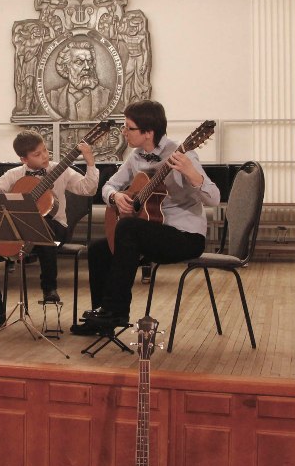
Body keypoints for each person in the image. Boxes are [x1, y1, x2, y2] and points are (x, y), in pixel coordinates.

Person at [78, 100, 220, 333]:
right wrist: (115, 197)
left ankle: (116, 310)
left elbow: (214, 199)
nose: (124, 132)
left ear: (148, 132)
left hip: (185, 236)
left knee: (128, 228)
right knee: (98, 250)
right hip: (151, 232)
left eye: (129, 128)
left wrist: (191, 172)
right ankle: (101, 321)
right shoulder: (136, 156)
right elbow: (108, 186)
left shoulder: (183, 154)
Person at [0, 131, 98, 328]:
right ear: (23, 159)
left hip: (56, 228)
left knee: (42, 226)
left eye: (44, 150)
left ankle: (49, 288)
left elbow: (88, 189)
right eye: (37, 154)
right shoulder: (15, 174)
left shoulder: (60, 169)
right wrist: (10, 199)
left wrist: (90, 161)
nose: (44, 156)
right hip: (20, 231)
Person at [46, 40, 112, 120]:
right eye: (79, 62)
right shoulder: (52, 98)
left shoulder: (106, 96)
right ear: (66, 67)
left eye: (89, 61)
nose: (87, 67)